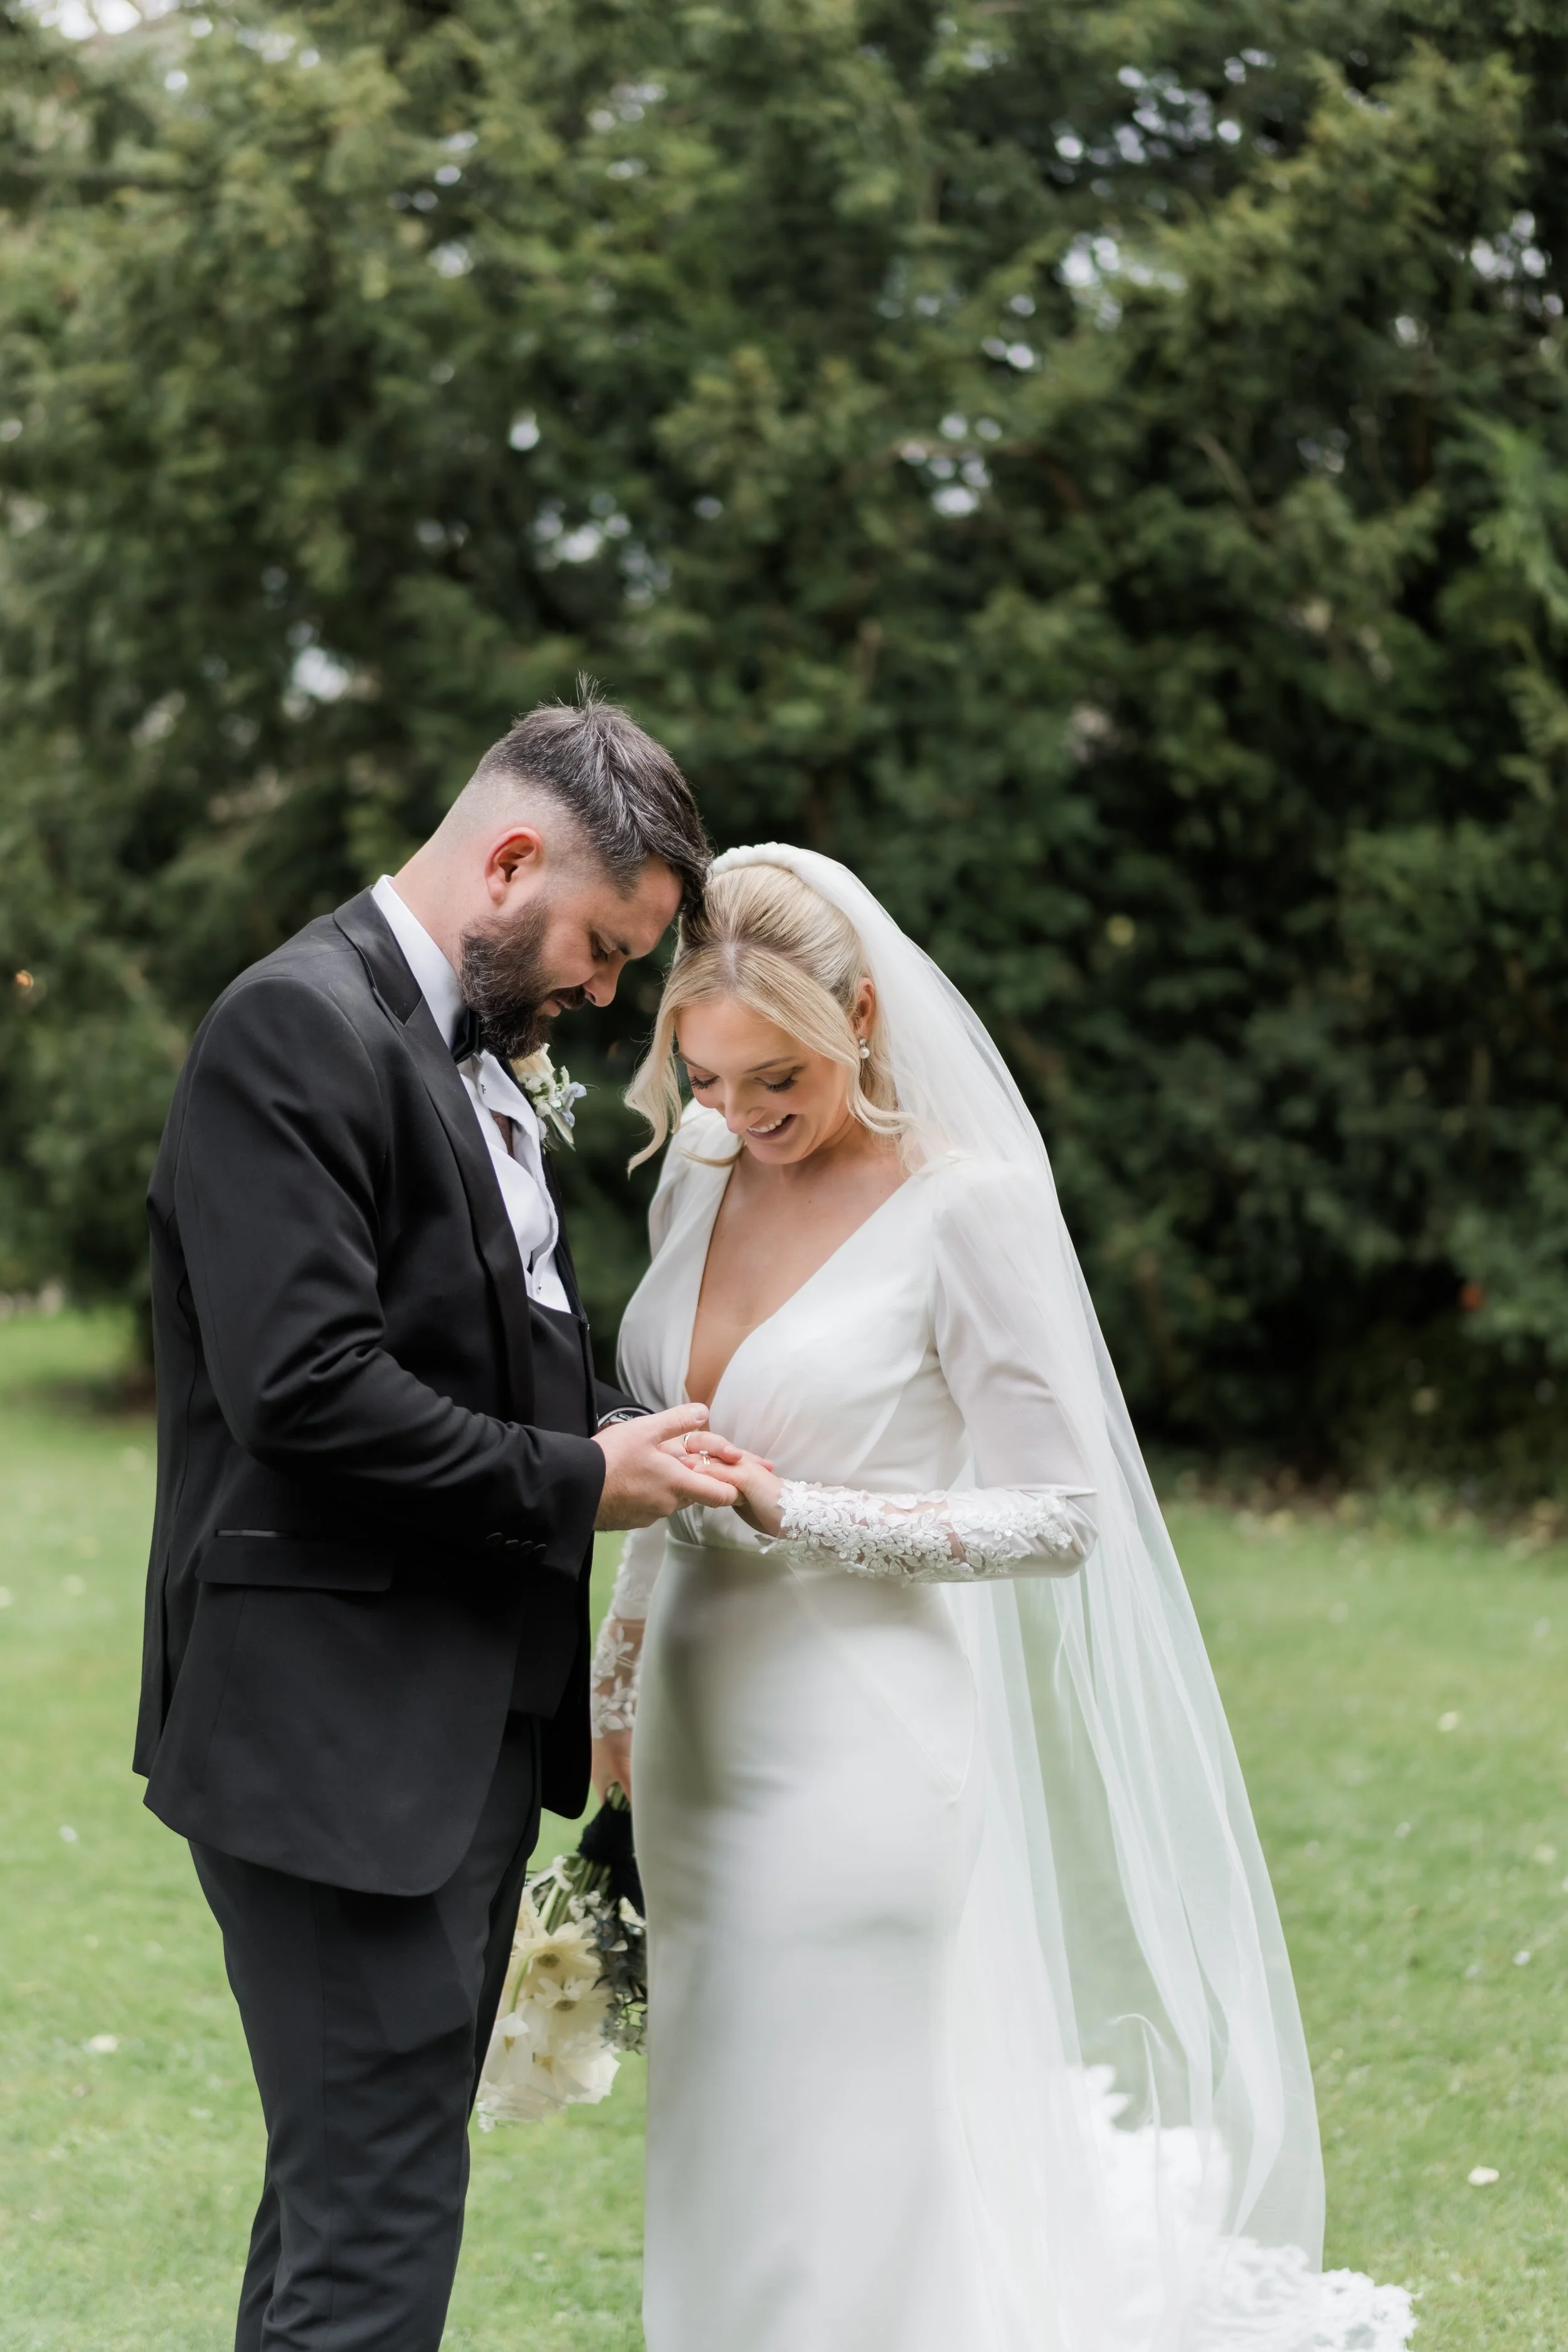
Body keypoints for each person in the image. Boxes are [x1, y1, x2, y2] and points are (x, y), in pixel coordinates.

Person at [591, 845, 1414, 2352]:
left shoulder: (963, 1209)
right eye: (707, 1082)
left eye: (777, 1081)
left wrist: (805, 1509)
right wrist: (617, 1679)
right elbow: (679, 1446)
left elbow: (1063, 1512)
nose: (740, 1120)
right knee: (724, 2128)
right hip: (698, 1741)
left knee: (847, 2141)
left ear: (859, 1017)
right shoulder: (703, 1175)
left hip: (861, 1742)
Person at [132, 691, 746, 2352]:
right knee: (375, 2220)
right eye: (604, 948)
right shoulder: (293, 1029)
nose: (606, 992)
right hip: (334, 1738)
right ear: (512, 857)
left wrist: (608, 1431)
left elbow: (472, 1343)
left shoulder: (459, 1051)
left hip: (441, 1727)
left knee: (352, 2191)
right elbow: (308, 1388)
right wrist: (579, 1484)